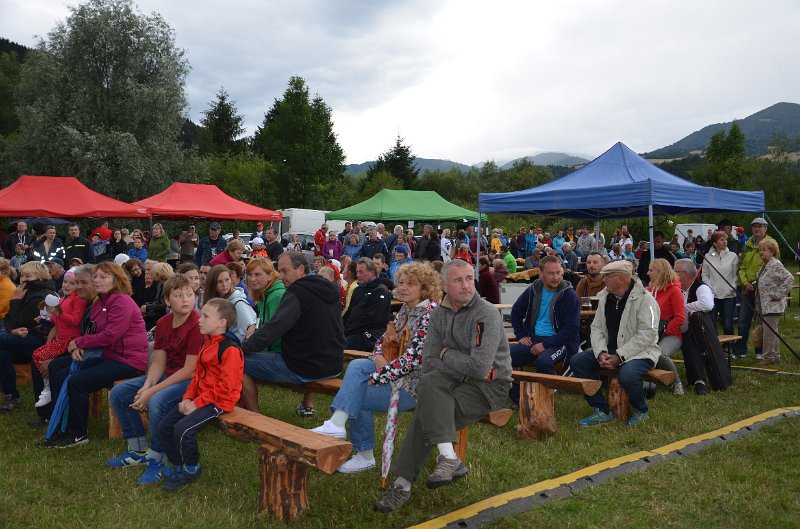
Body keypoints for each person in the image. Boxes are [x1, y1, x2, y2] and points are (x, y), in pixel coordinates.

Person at [374, 259, 511, 513]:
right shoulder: (438, 314)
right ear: (445, 286)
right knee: (430, 381)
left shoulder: (486, 313)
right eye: (458, 280)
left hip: (489, 386)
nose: (466, 285)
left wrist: (446, 354)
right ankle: (449, 457)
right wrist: (454, 361)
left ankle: (404, 483)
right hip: (452, 379)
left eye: (469, 279)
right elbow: (428, 361)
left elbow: (480, 368)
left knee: (428, 412)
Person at [107, 274, 203, 484]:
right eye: (178, 295)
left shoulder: (197, 324)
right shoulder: (163, 323)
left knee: (157, 401)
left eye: (189, 294)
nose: (186, 300)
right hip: (169, 375)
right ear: (167, 300)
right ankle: (138, 449)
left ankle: (158, 457)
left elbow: (189, 370)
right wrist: (147, 385)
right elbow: (159, 362)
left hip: (192, 381)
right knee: (119, 393)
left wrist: (152, 392)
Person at [41, 262, 149, 447]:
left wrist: (79, 343)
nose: (97, 280)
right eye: (96, 276)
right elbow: (92, 332)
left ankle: (77, 434)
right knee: (59, 371)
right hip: (108, 355)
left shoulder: (122, 301)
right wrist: (78, 347)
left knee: (77, 381)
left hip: (128, 360)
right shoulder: (101, 302)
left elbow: (110, 335)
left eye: (103, 277)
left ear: (117, 280)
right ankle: (60, 425)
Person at [239, 252, 344, 416]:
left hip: (304, 368)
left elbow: (273, 330)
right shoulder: (327, 289)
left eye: (284, 271)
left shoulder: (296, 293)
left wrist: (240, 348)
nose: (280, 276)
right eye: (279, 271)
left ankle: (255, 417)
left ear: (300, 269)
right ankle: (305, 405)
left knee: (238, 361)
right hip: (334, 364)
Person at [157, 298, 243, 491]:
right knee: (165, 427)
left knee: (183, 429)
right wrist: (188, 397)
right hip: (201, 397)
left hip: (220, 401)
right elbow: (197, 376)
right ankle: (181, 465)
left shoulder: (230, 349)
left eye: (205, 316)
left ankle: (192, 469)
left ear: (222, 322)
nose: (199, 319)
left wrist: (197, 403)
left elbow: (226, 387)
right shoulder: (207, 342)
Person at [568, 260, 660, 427]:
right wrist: (601, 352)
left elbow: (648, 334)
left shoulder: (646, 300)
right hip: (611, 349)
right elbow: (596, 328)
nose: (604, 280)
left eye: (607, 276)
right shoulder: (605, 297)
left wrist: (620, 356)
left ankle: (641, 409)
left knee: (627, 375)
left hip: (642, 352)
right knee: (577, 362)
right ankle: (602, 409)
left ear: (621, 279)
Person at [508, 256, 580, 404]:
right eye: (551, 273)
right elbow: (515, 312)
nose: (556, 277)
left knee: (544, 362)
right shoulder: (533, 290)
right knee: (504, 357)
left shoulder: (569, 295)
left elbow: (571, 330)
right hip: (534, 339)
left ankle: (544, 402)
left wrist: (545, 345)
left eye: (559, 273)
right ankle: (519, 399)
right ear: (541, 273)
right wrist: (521, 335)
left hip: (560, 343)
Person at [0, 262, 58, 412]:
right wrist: (11, 331)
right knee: (3, 354)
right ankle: (11, 396)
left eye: (28, 276)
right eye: (22, 275)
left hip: (41, 341)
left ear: (40, 276)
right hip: (24, 338)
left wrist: (15, 300)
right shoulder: (26, 291)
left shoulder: (42, 295)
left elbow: (22, 322)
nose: (23, 279)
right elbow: (8, 319)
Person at [31, 268, 87, 407]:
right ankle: (47, 386)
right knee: (37, 355)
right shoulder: (61, 299)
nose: (67, 285)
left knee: (44, 359)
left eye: (72, 283)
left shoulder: (78, 300)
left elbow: (76, 320)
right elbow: (56, 320)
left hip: (69, 341)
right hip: (60, 339)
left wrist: (58, 313)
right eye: (65, 282)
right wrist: (45, 319)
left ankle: (48, 388)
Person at [734, 217, 776, 359]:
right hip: (746, 289)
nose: (757, 229)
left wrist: (756, 284)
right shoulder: (747, 244)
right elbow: (741, 267)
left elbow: (773, 268)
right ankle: (740, 350)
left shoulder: (771, 243)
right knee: (743, 321)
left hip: (763, 291)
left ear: (765, 228)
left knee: (761, 322)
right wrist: (745, 283)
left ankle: (760, 350)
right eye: (754, 226)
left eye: (760, 226)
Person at [673, 258, 715, 394]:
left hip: (701, 331)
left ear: (685, 274)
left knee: (690, 339)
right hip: (677, 328)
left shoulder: (701, 287)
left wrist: (682, 308)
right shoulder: (677, 288)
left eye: (676, 271)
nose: (673, 274)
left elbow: (707, 304)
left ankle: (698, 380)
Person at [646, 258, 686, 395]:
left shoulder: (674, 290)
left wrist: (664, 331)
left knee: (660, 353)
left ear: (660, 272)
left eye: (651, 270)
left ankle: (677, 382)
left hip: (671, 334)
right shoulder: (650, 290)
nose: (648, 273)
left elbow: (680, 317)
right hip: (653, 333)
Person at [753, 239, 794, 365]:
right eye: (760, 250)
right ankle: (775, 355)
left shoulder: (775, 264)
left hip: (772, 305)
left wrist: (779, 294)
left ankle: (768, 356)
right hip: (765, 305)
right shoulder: (765, 265)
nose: (761, 252)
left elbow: (789, 278)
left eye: (764, 250)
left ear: (772, 251)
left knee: (769, 332)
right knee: (771, 331)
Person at [342, 258, 393, 351]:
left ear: (372, 272)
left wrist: (347, 331)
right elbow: (349, 313)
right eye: (357, 272)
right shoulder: (358, 289)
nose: (358, 275)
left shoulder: (380, 291)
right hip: (354, 332)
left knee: (334, 346)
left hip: (370, 335)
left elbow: (372, 320)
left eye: (361, 272)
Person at [204, 265, 256, 342]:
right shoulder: (215, 301)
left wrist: (228, 342)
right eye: (219, 281)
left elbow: (247, 331)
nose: (224, 284)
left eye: (227, 280)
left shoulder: (238, 303)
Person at [702, 231, 739, 336]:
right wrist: (710, 288)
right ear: (714, 243)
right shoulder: (708, 256)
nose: (724, 242)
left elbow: (736, 274)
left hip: (729, 295)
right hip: (713, 295)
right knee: (712, 322)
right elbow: (705, 275)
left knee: (727, 324)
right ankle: (714, 344)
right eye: (721, 240)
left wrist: (733, 287)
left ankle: (729, 344)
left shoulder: (733, 256)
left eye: (725, 239)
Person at [141, 262, 174, 330]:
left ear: (159, 273)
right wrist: (146, 305)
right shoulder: (160, 285)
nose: (152, 274)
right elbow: (157, 301)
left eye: (154, 272)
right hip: (157, 314)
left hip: (164, 315)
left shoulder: (170, 286)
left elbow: (164, 305)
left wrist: (147, 307)